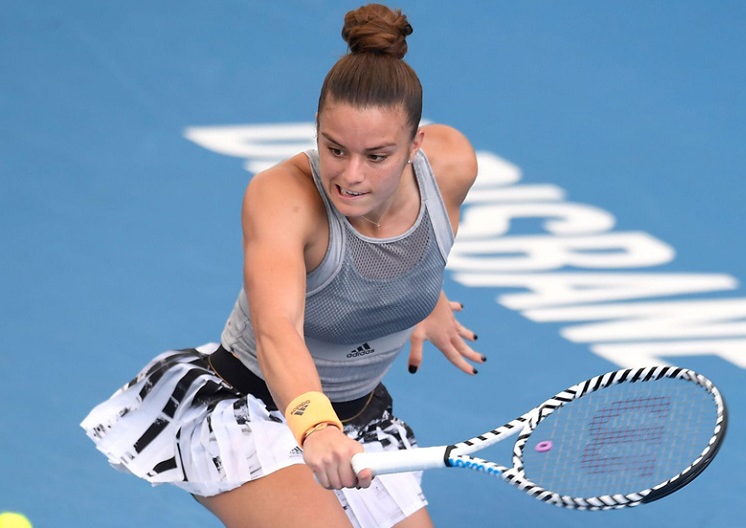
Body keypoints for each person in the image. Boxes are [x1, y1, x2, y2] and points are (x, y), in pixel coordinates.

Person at [81, 3, 483, 527]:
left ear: (416, 147)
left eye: (376, 156)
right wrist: (315, 427)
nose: (351, 176)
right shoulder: (282, 197)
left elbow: (408, 244)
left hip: (359, 419)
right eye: (334, 149)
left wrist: (423, 293)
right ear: (316, 129)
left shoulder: (452, 167)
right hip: (254, 410)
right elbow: (277, 331)